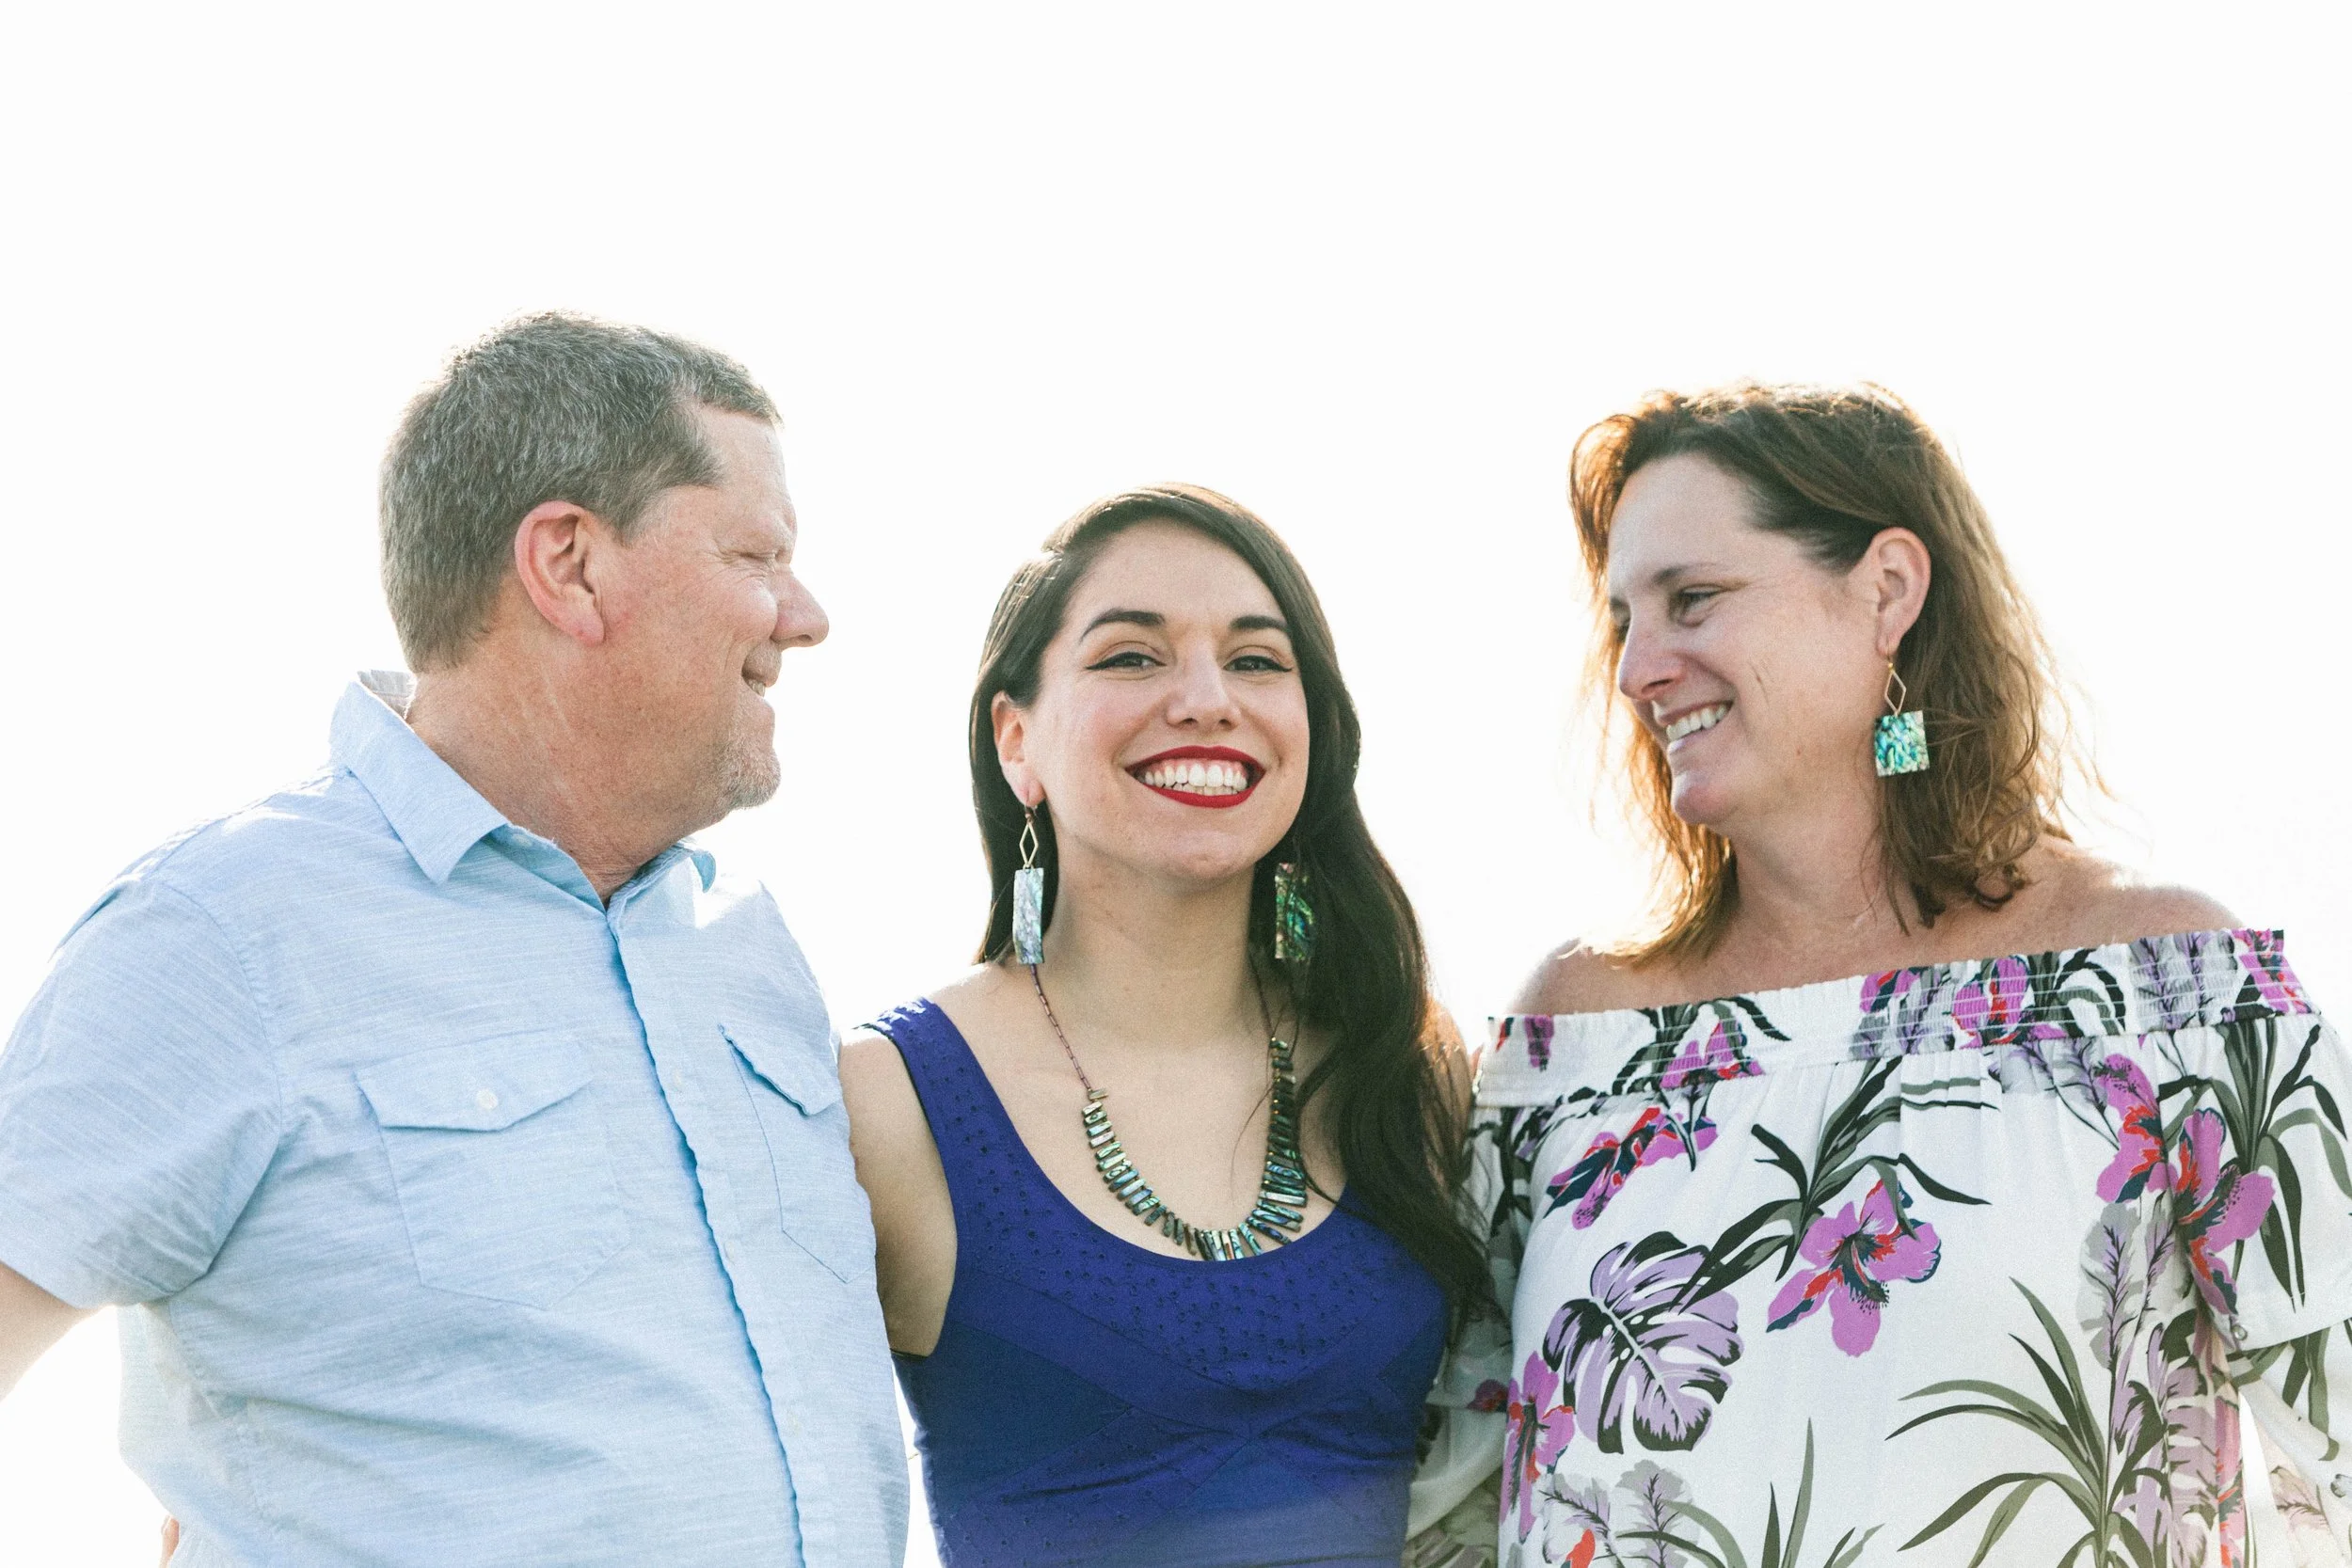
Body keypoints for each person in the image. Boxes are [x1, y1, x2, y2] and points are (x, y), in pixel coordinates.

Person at [0, 314, 905, 1566]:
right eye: (758, 552)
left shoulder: (747, 947)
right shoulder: (220, 927)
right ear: (570, 565)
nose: (804, 615)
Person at [1413, 383, 2352, 1565]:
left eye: (1692, 598)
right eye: (1621, 622)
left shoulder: (2175, 995)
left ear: (1887, 590)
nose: (1639, 667)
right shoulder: (1575, 1037)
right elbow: (1446, 1497)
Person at [839, 483, 1486, 1565]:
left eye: (1257, 659)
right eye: (1131, 657)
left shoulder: (1407, 1066)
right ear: (1016, 739)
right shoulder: (887, 1100)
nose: (1204, 699)